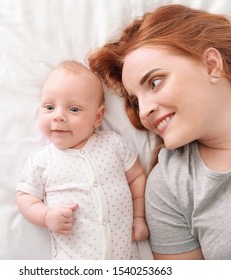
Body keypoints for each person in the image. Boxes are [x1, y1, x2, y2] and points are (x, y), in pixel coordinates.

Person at [87, 4, 231, 259]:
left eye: (155, 82)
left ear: (212, 65)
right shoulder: (168, 188)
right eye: (136, 101)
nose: (144, 111)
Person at [16, 60, 149, 259]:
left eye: (74, 109)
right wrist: (46, 216)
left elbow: (137, 177)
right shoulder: (42, 161)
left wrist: (139, 217)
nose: (58, 116)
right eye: (49, 107)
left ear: (97, 117)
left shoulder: (113, 145)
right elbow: (25, 197)